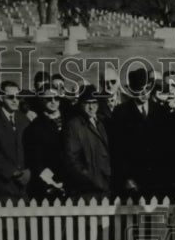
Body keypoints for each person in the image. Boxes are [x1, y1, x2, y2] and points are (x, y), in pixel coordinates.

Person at [0, 80, 31, 202]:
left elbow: (30, 147)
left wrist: (28, 170)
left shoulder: (23, 119)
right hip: (1, 185)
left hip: (23, 183)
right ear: (1, 98)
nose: (15, 100)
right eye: (10, 97)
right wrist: (13, 172)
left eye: (18, 97)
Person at [62, 85, 114, 200]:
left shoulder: (102, 123)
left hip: (105, 188)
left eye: (94, 102)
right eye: (87, 103)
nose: (91, 107)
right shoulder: (74, 125)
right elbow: (72, 160)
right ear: (81, 104)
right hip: (86, 191)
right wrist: (93, 179)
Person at [110, 67, 156, 197]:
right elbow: (116, 149)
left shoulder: (159, 111)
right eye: (138, 89)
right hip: (132, 181)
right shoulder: (120, 112)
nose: (144, 93)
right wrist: (126, 177)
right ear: (131, 90)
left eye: (147, 88)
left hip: (156, 180)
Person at [23, 83, 67, 201]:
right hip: (49, 183)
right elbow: (36, 160)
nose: (53, 101)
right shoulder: (35, 127)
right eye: (49, 99)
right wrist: (50, 182)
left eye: (56, 98)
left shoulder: (69, 121)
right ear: (41, 100)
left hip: (70, 180)